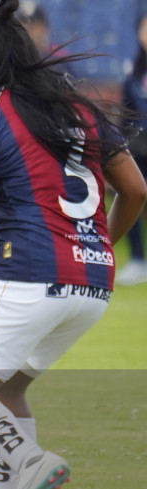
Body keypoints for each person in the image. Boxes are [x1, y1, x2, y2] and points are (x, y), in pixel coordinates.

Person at [0, 0, 146, 489]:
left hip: (28, 273)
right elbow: (136, 190)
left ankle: (29, 460)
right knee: (6, 389)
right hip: (91, 286)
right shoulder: (77, 108)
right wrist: (95, 247)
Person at [118, 13, 147, 285]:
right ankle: (138, 259)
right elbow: (126, 113)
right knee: (130, 194)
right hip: (139, 148)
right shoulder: (133, 70)